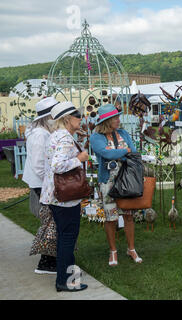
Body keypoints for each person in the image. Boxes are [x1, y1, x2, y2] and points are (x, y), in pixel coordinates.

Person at [40, 101, 89, 292]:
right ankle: (66, 281)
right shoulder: (65, 139)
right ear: (68, 119)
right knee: (68, 238)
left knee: (65, 238)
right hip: (64, 197)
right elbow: (58, 165)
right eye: (77, 115)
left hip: (55, 195)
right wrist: (79, 159)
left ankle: (65, 279)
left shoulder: (58, 135)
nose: (81, 118)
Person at [90, 104, 143, 266]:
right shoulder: (96, 137)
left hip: (126, 179)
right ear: (107, 121)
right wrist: (124, 151)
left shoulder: (123, 133)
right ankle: (113, 250)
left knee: (128, 215)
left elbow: (133, 151)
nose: (119, 120)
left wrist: (124, 153)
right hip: (107, 181)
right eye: (116, 118)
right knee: (110, 217)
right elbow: (106, 153)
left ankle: (131, 248)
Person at [23, 97, 59, 274]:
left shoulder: (40, 132)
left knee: (51, 221)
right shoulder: (40, 134)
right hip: (42, 183)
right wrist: (51, 184)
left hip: (42, 183)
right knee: (51, 222)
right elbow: (39, 164)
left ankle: (50, 258)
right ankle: (47, 262)